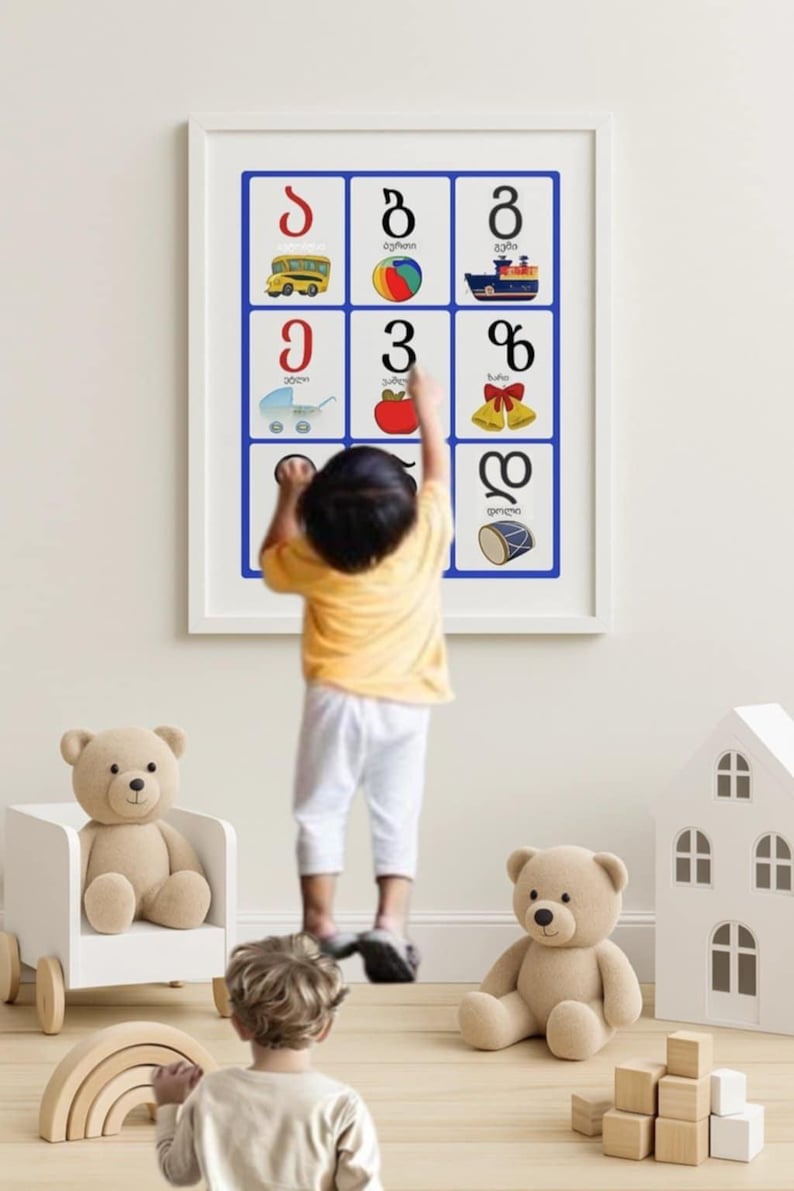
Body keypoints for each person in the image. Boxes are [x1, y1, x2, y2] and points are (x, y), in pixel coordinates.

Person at [260, 365, 453, 983]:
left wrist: (289, 494)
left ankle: (320, 923)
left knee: (321, 809)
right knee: (398, 812)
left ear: (320, 519)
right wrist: (424, 405)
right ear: (403, 514)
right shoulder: (424, 541)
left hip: (336, 699)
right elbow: (437, 470)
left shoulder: (313, 559)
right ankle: (389, 923)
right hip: (407, 704)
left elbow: (271, 558)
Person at [152, 933, 382, 1189]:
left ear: (239, 1025)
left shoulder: (211, 1092)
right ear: (324, 1028)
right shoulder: (341, 1105)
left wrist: (168, 1104)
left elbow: (179, 1174)